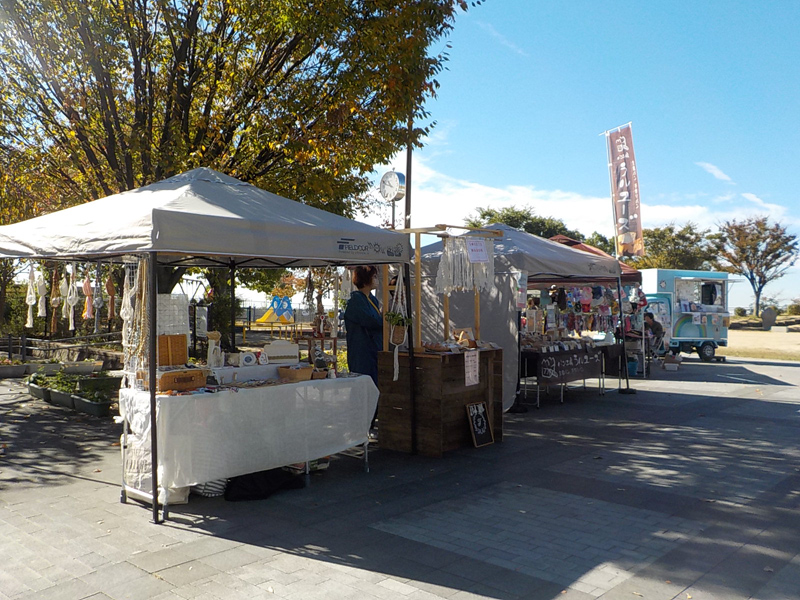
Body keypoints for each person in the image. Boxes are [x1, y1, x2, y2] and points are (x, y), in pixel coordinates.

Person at [344, 265, 382, 387]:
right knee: (362, 386)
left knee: (374, 386)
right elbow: (371, 321)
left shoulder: (373, 300)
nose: (377, 280)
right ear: (366, 279)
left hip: (374, 349)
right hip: (361, 351)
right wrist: (385, 321)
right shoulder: (356, 300)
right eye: (374, 276)